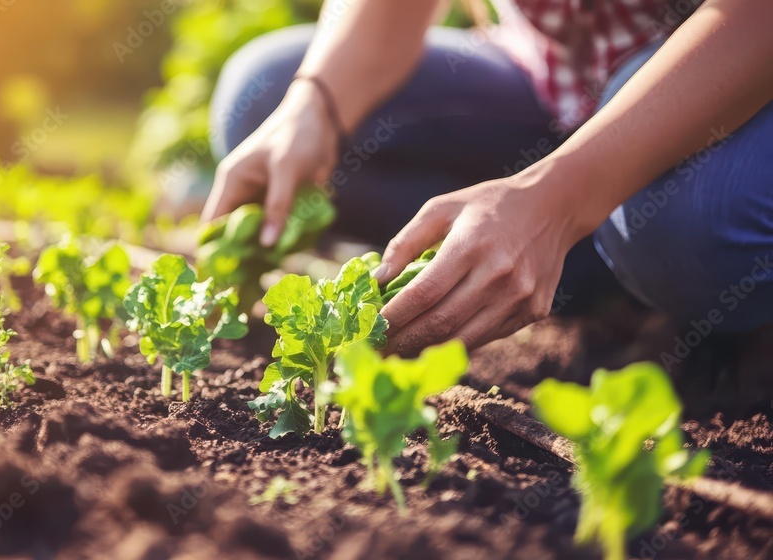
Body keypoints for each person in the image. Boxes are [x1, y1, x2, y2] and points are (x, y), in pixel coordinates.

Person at [200, 0, 773, 358]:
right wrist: (316, 104)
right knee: (264, 98)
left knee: (684, 225)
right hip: (556, 83)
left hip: (728, 75)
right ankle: (603, 265)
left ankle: (644, 256)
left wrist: (558, 198)